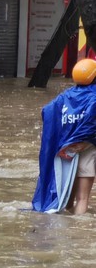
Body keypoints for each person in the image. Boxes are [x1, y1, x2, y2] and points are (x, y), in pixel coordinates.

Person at [33, 58, 96, 214]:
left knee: (65, 197)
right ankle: (75, 233)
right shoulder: (94, 96)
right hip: (87, 149)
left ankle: (62, 230)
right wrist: (83, 140)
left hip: (65, 151)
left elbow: (47, 112)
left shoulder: (65, 96)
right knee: (82, 198)